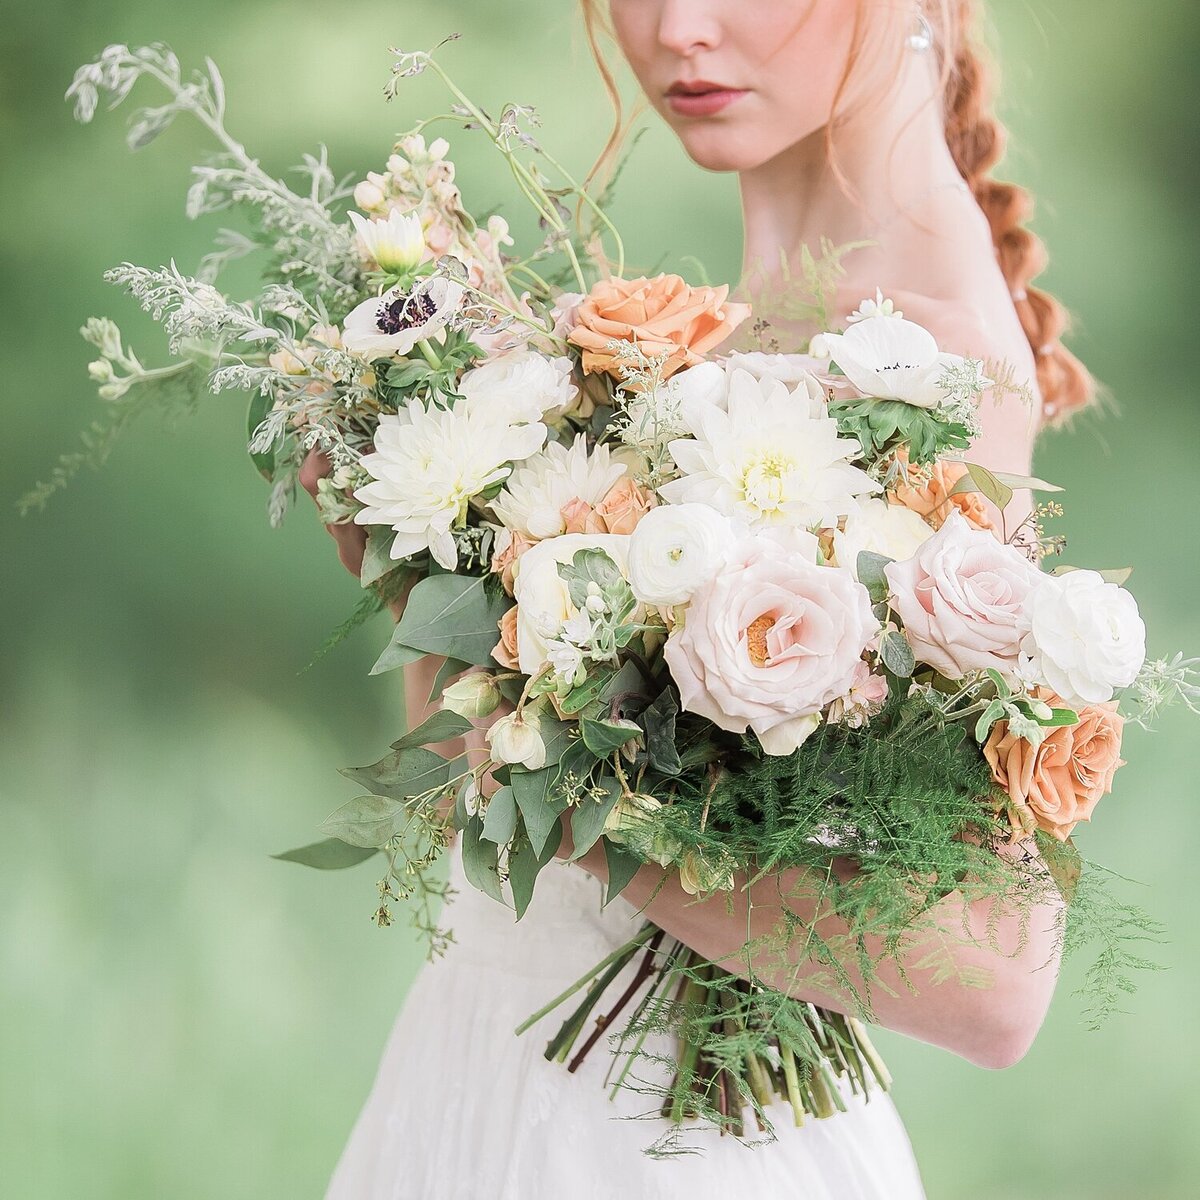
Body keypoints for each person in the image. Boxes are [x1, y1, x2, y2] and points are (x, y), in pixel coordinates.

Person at [311, 3, 1095, 1195]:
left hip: (672, 1144)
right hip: (482, 1070)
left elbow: (997, 984)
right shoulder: (734, 324)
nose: (678, 26)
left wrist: (573, 807)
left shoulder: (932, 364)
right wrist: (422, 570)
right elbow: (479, 766)